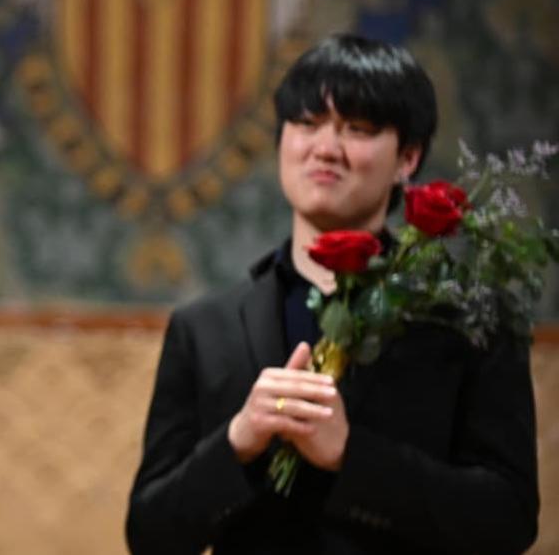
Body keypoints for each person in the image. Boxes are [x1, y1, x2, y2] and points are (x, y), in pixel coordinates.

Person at [126, 34, 538, 555]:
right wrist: (240, 440)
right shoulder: (203, 327)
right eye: (306, 124)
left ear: (407, 158)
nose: (325, 148)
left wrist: (352, 457)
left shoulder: (472, 319)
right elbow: (150, 535)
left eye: (358, 129)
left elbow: (509, 519)